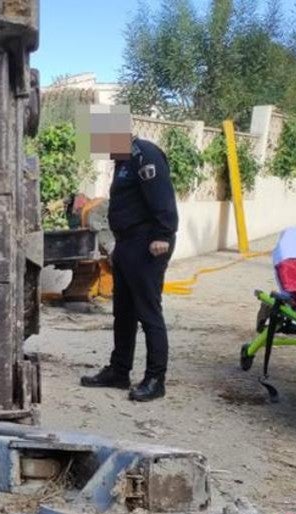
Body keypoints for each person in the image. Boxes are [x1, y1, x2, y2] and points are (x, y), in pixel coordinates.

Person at [80, 116, 178, 402]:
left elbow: (163, 198)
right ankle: (119, 371)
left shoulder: (144, 155)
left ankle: (155, 379)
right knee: (123, 312)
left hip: (148, 244)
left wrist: (163, 233)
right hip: (127, 244)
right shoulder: (123, 162)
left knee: (148, 313)